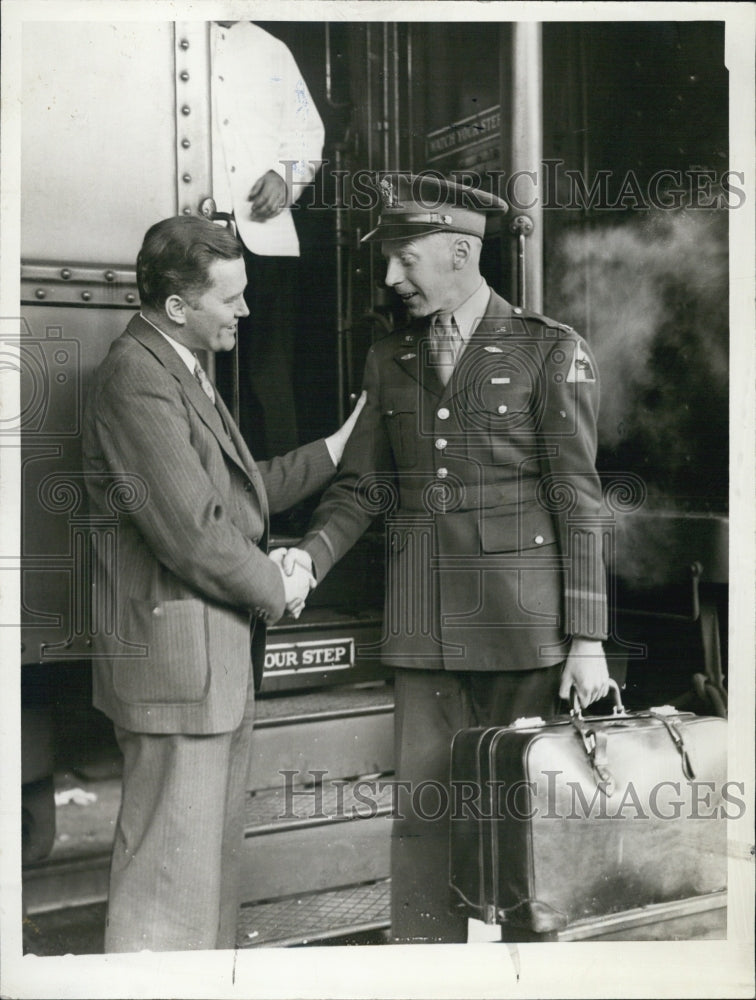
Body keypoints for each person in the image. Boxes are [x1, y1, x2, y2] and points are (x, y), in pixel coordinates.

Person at [279, 173, 612, 943]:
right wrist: (307, 560)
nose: (392, 278)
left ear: (462, 253)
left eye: (406, 259)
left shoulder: (548, 350)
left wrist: (588, 640)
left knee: (525, 828)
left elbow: (579, 501)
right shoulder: (389, 356)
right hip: (424, 628)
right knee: (424, 823)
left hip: (522, 631)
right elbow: (361, 487)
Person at [81, 215, 363, 952]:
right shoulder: (137, 378)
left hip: (210, 668)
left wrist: (336, 449)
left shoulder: (176, 365)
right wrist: (279, 586)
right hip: (181, 673)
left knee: (201, 882)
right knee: (167, 897)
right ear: (179, 307)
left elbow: (242, 492)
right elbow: (194, 530)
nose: (245, 312)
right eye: (231, 299)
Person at [211, 20, 325, 458]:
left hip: (266, 238)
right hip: (199, 237)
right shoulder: (166, 35)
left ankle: (281, 503)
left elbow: (308, 133)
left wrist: (285, 176)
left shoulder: (271, 49)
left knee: (268, 373)